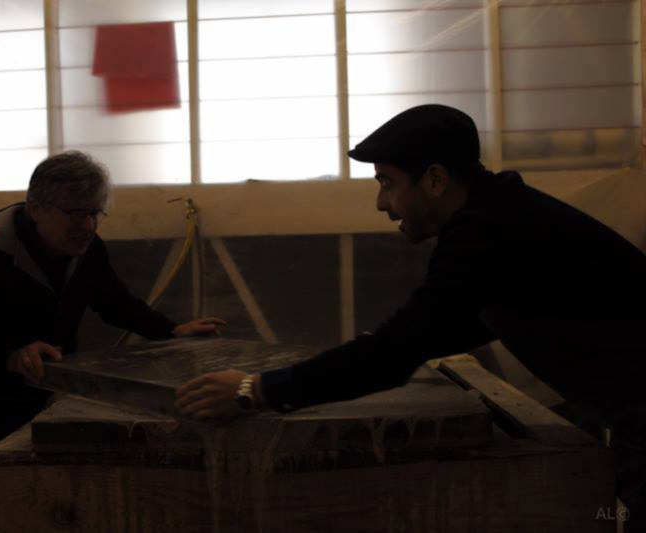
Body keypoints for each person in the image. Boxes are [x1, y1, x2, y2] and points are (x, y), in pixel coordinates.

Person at [174, 104, 646, 530]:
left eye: (388, 184)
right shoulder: (500, 214)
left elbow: (399, 350)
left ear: (435, 180)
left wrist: (253, 390)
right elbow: (448, 324)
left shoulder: (488, 232)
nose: (381, 203)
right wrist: (386, 347)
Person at [0, 150, 225, 533]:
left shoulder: (87, 249)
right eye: (75, 213)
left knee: (40, 501)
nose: (87, 225)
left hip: (44, 393)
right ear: (36, 208)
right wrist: (9, 356)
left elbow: (115, 302)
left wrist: (171, 330)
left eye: (95, 213)